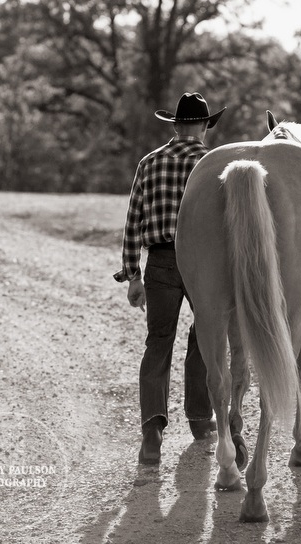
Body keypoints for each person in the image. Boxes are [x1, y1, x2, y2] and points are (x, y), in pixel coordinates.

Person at [114, 92, 226, 465]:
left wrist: (133, 274)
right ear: (205, 127)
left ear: (176, 125)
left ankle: (152, 433)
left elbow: (134, 221)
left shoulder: (149, 162)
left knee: (158, 342)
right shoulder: (215, 164)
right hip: (205, 263)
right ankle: (199, 417)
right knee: (205, 337)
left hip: (160, 262)